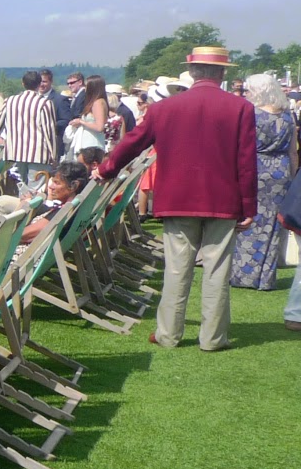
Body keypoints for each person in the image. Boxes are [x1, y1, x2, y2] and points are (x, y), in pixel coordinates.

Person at [97, 47, 255, 351]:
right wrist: (248, 205)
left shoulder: (164, 108)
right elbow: (246, 162)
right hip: (223, 199)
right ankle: (212, 338)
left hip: (178, 198)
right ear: (222, 74)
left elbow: (132, 142)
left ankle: (168, 333)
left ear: (193, 73)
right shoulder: (240, 108)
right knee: (217, 270)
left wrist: (106, 169)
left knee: (177, 268)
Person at [231, 73, 298, 290]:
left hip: (256, 168)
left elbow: (241, 147)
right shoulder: (288, 115)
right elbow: (293, 153)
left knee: (249, 219)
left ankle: (244, 274)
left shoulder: (252, 114)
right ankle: (265, 278)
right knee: (272, 226)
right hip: (280, 171)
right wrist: (291, 175)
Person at [2, 69, 58, 181]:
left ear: (23, 83)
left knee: (24, 190)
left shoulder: (10, 101)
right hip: (39, 153)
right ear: (39, 84)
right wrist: (54, 155)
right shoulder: (45, 103)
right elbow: (50, 131)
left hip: (17, 152)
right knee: (36, 191)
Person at [67, 75, 109, 159]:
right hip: (89, 141)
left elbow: (99, 127)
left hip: (92, 142)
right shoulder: (98, 101)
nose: (85, 88)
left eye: (86, 86)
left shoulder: (98, 103)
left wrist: (81, 122)